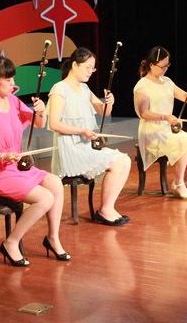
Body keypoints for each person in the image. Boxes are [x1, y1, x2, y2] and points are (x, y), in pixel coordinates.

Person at [0, 55, 69, 267]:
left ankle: (52, 238)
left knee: (55, 183)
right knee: (45, 198)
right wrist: (0, 156)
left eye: (13, 78)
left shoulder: (13, 101)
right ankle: (11, 242)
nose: (13, 84)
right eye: (8, 79)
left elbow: (38, 124)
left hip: (16, 166)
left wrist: (41, 112)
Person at [48, 47, 131, 226]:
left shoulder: (84, 89)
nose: (90, 72)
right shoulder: (59, 89)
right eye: (87, 67)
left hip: (85, 147)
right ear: (74, 65)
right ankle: (105, 210)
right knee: (118, 162)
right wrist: (82, 131)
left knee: (125, 161)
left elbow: (103, 111)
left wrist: (109, 103)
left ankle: (108, 208)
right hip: (69, 150)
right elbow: (54, 124)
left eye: (93, 68)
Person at [133, 46, 187, 199]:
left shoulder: (167, 81)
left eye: (167, 65)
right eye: (162, 66)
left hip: (166, 130)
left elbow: (185, 98)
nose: (165, 69)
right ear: (151, 65)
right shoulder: (142, 85)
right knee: (186, 143)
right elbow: (144, 113)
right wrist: (166, 117)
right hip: (151, 131)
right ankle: (178, 184)